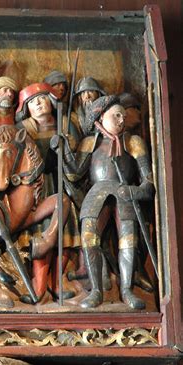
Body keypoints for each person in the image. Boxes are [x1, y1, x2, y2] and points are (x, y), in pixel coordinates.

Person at [59, 95, 154, 309]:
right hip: (97, 194)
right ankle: (96, 291)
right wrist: (63, 149)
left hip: (124, 193)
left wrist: (135, 191)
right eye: (116, 115)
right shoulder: (89, 142)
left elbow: (148, 182)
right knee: (89, 238)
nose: (121, 120)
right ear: (102, 116)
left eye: (123, 115)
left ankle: (127, 291)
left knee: (128, 241)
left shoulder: (133, 142)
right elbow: (75, 174)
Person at [15, 83, 79, 303]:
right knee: (41, 234)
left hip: (63, 183)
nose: (39, 104)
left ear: (51, 101)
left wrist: (66, 146)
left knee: (66, 235)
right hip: (39, 188)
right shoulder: (24, 129)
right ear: (27, 109)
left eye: (42, 99)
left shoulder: (64, 122)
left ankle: (57, 281)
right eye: (33, 102)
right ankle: (39, 284)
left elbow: (78, 157)